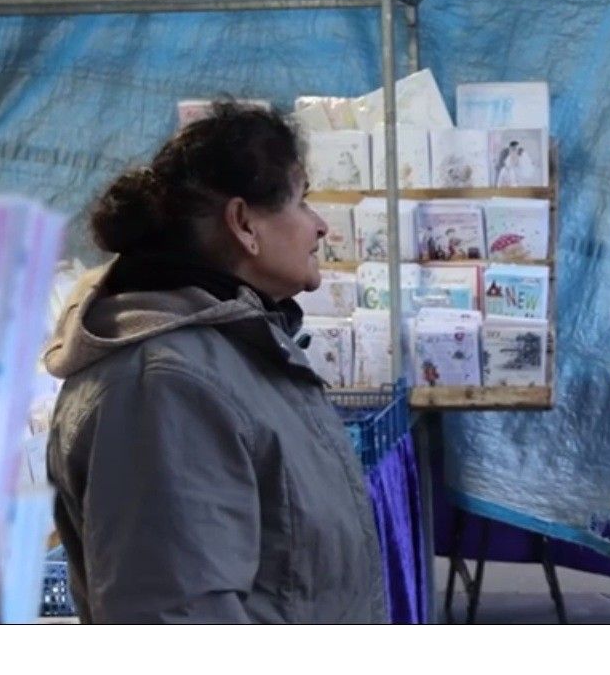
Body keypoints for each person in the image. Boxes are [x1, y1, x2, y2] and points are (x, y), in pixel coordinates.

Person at [45, 103, 386, 623]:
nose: (320, 227)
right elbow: (174, 614)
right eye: (302, 201)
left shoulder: (236, 350)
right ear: (244, 223)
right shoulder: (163, 387)